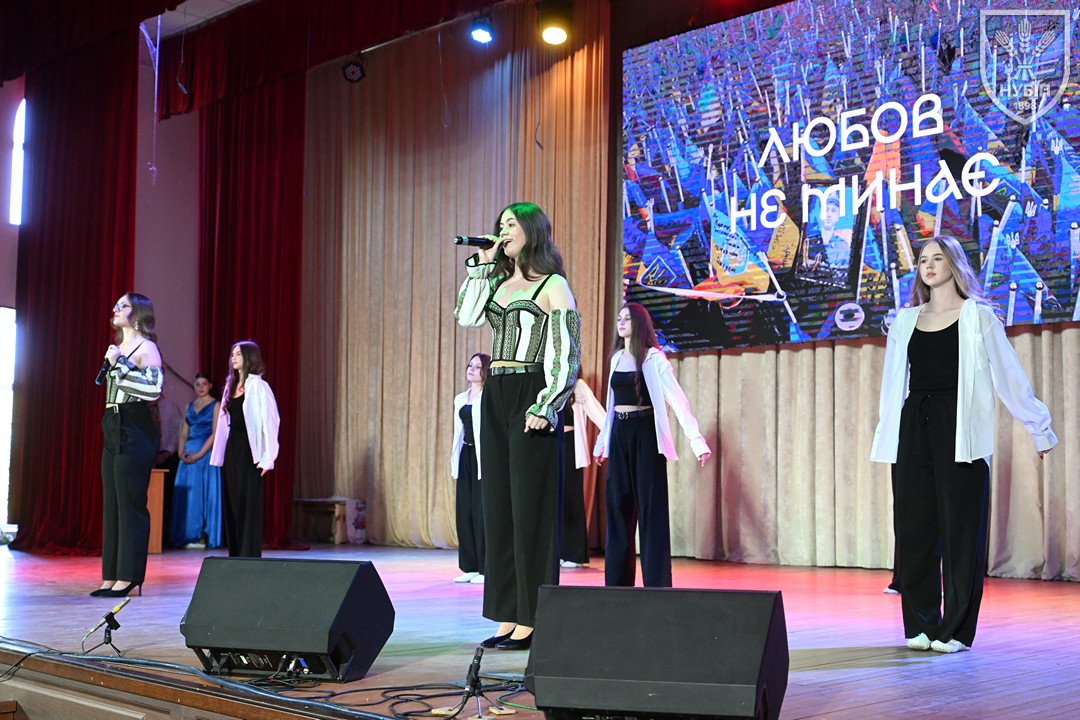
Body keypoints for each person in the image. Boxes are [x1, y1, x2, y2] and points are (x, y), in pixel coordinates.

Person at [870, 235, 1057, 653]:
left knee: (962, 531)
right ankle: (920, 624)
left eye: (937, 258)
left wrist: (1039, 428)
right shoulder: (904, 320)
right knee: (914, 529)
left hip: (960, 428)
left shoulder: (979, 317)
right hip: (914, 425)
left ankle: (954, 629)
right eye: (923, 259)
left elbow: (1009, 377)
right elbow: (892, 385)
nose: (928, 265)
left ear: (954, 264)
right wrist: (889, 434)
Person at [455, 201, 581, 650]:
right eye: (501, 224)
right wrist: (482, 264)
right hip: (497, 392)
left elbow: (566, 351)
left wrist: (548, 403)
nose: (503, 230)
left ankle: (532, 617)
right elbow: (467, 316)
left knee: (530, 509)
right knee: (499, 507)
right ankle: (507, 613)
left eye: (511, 224)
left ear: (532, 230)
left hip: (532, 389)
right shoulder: (497, 282)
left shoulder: (553, 285)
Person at [593, 303, 710, 588]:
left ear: (640, 324)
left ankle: (657, 586)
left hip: (646, 434)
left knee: (650, 509)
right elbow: (611, 405)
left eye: (627, 318)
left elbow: (678, 402)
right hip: (619, 433)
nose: (621, 323)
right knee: (618, 506)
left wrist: (697, 441)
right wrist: (602, 442)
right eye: (619, 318)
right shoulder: (616, 358)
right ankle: (617, 586)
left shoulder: (655, 359)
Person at [93, 293, 164, 598]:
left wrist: (119, 364)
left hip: (134, 425)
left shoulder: (147, 347)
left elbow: (153, 389)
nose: (115, 309)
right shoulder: (119, 348)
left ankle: (129, 575)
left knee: (130, 501)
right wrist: (117, 360)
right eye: (116, 305)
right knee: (112, 502)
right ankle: (111, 574)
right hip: (113, 422)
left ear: (137, 315)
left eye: (123, 306)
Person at [209, 341, 280, 558]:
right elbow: (223, 423)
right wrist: (218, 455)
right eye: (232, 354)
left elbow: (270, 421)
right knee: (232, 501)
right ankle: (235, 554)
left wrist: (268, 458)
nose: (233, 357)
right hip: (232, 448)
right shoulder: (230, 386)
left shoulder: (259, 386)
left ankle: (249, 555)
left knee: (248, 502)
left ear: (249, 357)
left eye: (238, 354)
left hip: (250, 450)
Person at [169, 373, 223, 549]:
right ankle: (186, 534)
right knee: (188, 494)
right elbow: (183, 432)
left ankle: (200, 535)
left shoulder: (215, 405)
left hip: (204, 454)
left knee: (202, 494)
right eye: (197, 384)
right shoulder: (189, 406)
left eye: (204, 384)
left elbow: (216, 433)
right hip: (188, 454)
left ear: (210, 385)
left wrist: (199, 454)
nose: (201, 387)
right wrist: (180, 453)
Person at [451, 352, 490, 584]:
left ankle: (486, 568)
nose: (471, 369)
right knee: (464, 510)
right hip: (465, 455)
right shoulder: (460, 398)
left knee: (481, 511)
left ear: (485, 372)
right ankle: (470, 566)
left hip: (483, 457)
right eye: (470, 365)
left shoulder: (489, 397)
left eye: (477, 366)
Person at [560, 378, 606, 568]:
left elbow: (598, 414)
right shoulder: (546, 383)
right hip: (548, 445)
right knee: (553, 501)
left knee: (571, 498)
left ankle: (575, 553)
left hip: (570, 445)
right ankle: (558, 551)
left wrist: (609, 438)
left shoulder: (578, 386)